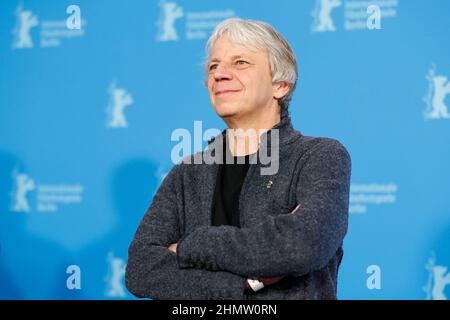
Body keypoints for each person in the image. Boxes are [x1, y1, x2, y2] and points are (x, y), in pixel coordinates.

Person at [125, 17, 351, 300]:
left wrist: (187, 246)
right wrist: (244, 283)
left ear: (280, 85)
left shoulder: (319, 156)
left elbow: (301, 245)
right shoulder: (188, 172)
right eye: (213, 66)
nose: (219, 74)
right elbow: (141, 270)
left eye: (240, 62)